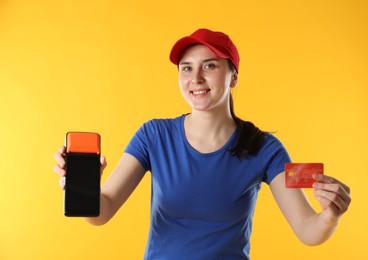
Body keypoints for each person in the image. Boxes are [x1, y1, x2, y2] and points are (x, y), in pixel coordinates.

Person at [53, 28, 351, 259]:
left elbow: (307, 230)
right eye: (186, 68)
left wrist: (329, 216)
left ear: (233, 77)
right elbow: (102, 213)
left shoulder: (265, 148)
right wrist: (83, 189)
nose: (196, 78)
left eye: (209, 66)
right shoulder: (153, 136)